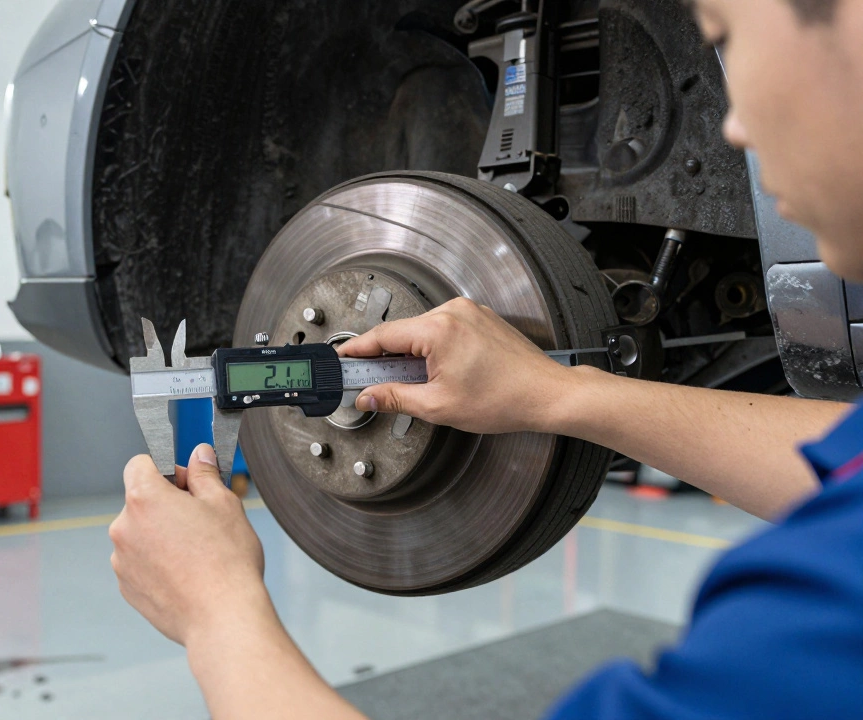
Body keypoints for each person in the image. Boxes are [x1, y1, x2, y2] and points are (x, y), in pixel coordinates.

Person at [107, 0, 863, 716]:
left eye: (724, 38)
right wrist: (556, 394)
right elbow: (835, 466)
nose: (731, 127)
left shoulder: (814, 614)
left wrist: (217, 615)